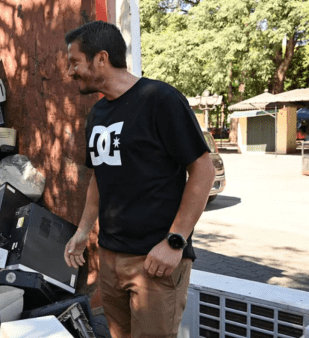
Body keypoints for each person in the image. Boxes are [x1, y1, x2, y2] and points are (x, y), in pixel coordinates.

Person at [63, 21, 215, 338]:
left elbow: (203, 169)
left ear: (100, 58)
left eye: (74, 62)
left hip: (155, 261)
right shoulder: (97, 114)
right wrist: (82, 231)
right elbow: (98, 177)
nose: (70, 72)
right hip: (110, 256)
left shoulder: (160, 99)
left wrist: (176, 242)